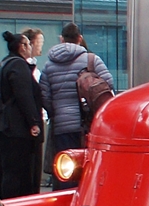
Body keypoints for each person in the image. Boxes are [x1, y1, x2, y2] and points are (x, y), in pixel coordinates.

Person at [41, 23, 114, 189]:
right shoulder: (91, 60)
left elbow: (44, 96)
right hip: (87, 125)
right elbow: (108, 84)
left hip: (61, 127)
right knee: (87, 168)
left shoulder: (49, 65)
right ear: (79, 38)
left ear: (61, 39)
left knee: (65, 170)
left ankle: (65, 201)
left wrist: (56, 113)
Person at [0, 32, 45, 199]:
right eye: (28, 44)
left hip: (3, 126)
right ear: (22, 47)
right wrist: (33, 122)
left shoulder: (5, 63)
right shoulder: (19, 65)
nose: (31, 47)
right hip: (16, 129)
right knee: (17, 173)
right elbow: (24, 96)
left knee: (4, 170)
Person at [22, 28, 47, 190]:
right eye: (39, 42)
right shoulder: (26, 69)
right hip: (34, 121)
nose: (41, 46)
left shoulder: (34, 67)